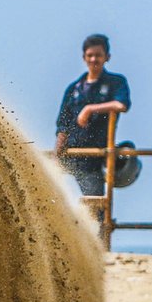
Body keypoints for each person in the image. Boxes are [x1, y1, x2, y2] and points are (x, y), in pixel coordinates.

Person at [54, 33, 131, 200]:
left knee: (94, 206)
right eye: (90, 55)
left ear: (107, 57)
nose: (94, 59)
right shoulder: (74, 88)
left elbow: (121, 105)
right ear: (84, 58)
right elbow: (62, 123)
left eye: (98, 55)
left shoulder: (115, 83)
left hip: (94, 156)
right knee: (53, 195)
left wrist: (90, 109)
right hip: (71, 152)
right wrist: (57, 151)